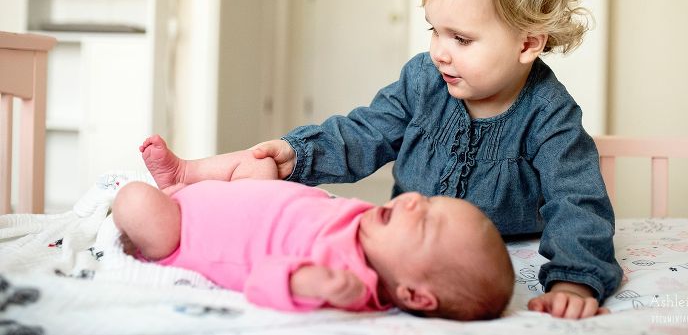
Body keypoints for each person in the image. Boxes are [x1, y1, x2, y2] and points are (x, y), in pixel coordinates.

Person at [146, 0, 620, 319]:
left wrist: (575, 280)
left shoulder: (549, 113)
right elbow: (364, 132)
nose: (439, 51)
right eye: (435, 30)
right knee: (277, 194)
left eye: (461, 38)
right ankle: (190, 185)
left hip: (495, 256)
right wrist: (300, 153)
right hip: (404, 247)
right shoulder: (423, 81)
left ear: (527, 44)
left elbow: (576, 200)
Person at [112, 143, 514, 321]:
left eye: (424, 221)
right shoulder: (373, 226)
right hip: (241, 192)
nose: (412, 201)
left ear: (414, 294)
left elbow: (261, 284)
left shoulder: (347, 282)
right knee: (259, 161)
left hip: (186, 229)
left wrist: (308, 284)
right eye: (426, 201)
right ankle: (182, 174)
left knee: (133, 200)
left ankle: (164, 195)